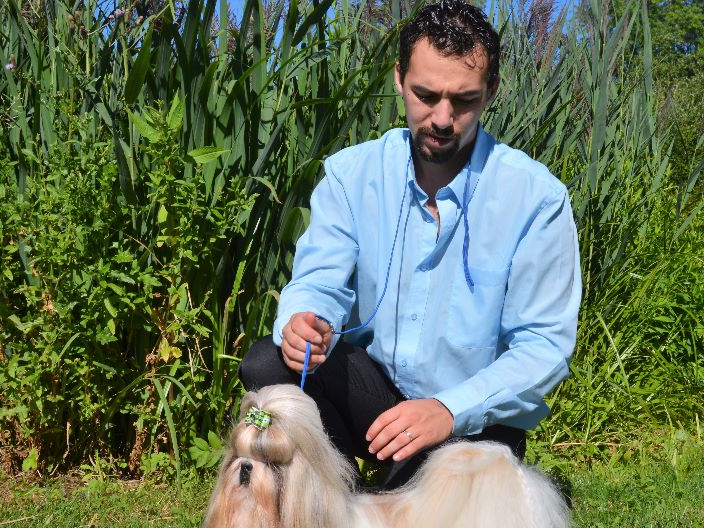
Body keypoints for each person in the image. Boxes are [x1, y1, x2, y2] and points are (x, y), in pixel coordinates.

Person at [238, 0, 581, 489]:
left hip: (471, 420)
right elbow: (318, 284)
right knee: (269, 362)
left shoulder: (536, 200)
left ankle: (392, 497)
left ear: (492, 92)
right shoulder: (350, 176)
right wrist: (304, 321)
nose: (442, 118)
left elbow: (543, 348)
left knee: (426, 517)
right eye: (425, 95)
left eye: (463, 100)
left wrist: (448, 409)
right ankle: (344, 506)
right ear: (399, 78)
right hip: (376, 398)